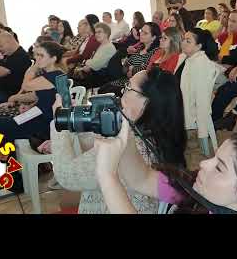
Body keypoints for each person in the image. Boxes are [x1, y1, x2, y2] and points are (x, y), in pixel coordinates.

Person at [51, 67, 188, 214]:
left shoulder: (131, 145)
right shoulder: (155, 138)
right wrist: (81, 123)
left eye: (128, 88)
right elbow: (91, 156)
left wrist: (58, 122)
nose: (122, 92)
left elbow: (65, 175)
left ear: (146, 102)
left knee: (64, 201)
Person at [94, 127, 237, 214]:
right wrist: (123, 138)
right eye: (214, 156)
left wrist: (106, 176)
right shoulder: (200, 192)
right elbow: (141, 179)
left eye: (219, 167)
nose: (205, 164)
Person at [0, 41, 65, 152]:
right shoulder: (51, 73)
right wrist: (30, 106)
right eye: (37, 55)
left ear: (53, 59)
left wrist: (34, 67)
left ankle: (0, 157)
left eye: (41, 56)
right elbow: (41, 96)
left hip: (46, 123)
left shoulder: (55, 76)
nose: (37, 58)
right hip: (39, 114)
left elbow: (26, 85)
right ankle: (5, 157)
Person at [176, 28, 219, 145]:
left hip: (185, 105)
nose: (183, 42)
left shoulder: (201, 64)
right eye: (183, 39)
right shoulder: (185, 57)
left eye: (188, 41)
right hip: (177, 99)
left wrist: (202, 132)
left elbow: (201, 99)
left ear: (199, 46)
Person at [99, 22, 161, 95]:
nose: (141, 34)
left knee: (106, 92)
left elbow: (145, 71)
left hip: (135, 86)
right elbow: (125, 66)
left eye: (145, 33)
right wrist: (130, 69)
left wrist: (131, 69)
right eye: (141, 31)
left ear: (153, 37)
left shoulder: (155, 52)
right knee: (102, 89)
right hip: (125, 80)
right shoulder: (139, 48)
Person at [71, 23, 117, 89]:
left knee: (71, 82)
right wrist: (89, 64)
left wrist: (86, 62)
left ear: (106, 33)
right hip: (96, 75)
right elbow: (94, 62)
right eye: (96, 32)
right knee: (70, 78)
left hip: (100, 79)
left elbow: (95, 65)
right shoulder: (102, 45)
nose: (96, 34)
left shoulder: (108, 47)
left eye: (99, 32)